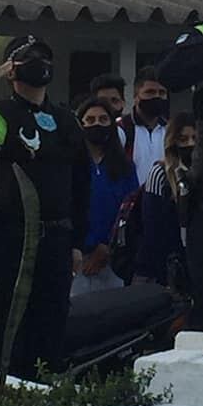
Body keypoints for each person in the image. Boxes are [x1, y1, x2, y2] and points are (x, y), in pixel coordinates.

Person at [0, 34, 90, 379]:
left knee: (51, 321)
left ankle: (46, 385)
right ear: (12, 69)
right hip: (6, 239)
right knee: (3, 322)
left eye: (44, 57)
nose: (40, 64)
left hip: (55, 239)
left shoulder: (66, 120)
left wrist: (78, 241)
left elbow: (82, 183)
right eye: (29, 58)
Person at [71, 97, 138, 296]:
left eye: (103, 119)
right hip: (75, 259)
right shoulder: (69, 165)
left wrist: (107, 247)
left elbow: (129, 210)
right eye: (90, 120)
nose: (97, 124)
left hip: (112, 261)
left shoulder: (125, 167)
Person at [134, 113, 196, 292]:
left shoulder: (200, 175)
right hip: (156, 270)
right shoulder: (160, 173)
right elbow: (152, 226)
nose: (190, 144)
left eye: (194, 139)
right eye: (183, 139)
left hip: (190, 264)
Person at [118, 67, 168, 186]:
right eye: (150, 92)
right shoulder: (121, 129)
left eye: (162, 93)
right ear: (136, 97)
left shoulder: (171, 131)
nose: (156, 97)